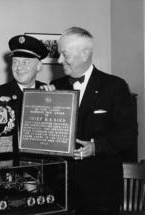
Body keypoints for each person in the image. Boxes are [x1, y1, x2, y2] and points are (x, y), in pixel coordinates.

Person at [45, 27, 137, 215]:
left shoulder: (115, 86)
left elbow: (128, 134)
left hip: (101, 191)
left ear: (85, 53)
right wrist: (46, 106)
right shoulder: (57, 87)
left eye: (64, 54)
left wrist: (96, 147)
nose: (60, 60)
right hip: (61, 188)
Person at [0, 34, 49, 127]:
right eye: (15, 62)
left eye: (25, 62)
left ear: (39, 66)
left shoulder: (47, 92)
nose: (19, 67)